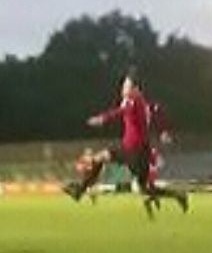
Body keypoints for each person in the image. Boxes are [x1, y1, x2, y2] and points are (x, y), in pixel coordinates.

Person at [63, 76, 189, 221]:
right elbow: (156, 109)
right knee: (101, 158)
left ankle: (178, 195)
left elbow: (120, 112)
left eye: (126, 86)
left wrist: (102, 119)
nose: (123, 89)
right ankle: (79, 191)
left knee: (146, 189)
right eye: (123, 86)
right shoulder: (142, 103)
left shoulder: (134, 100)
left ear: (135, 89)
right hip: (130, 148)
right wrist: (162, 131)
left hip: (136, 151)